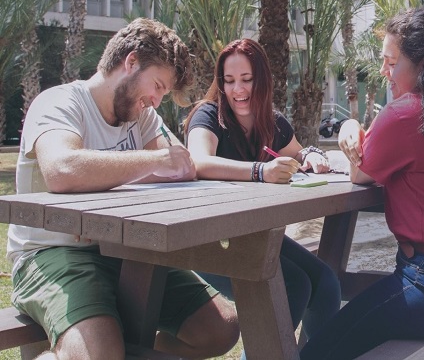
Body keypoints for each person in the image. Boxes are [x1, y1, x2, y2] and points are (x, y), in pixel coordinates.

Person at [7, 18, 239, 360]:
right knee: (99, 354)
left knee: (221, 328)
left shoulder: (140, 115)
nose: (157, 100)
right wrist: (153, 162)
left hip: (125, 249)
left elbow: (182, 165)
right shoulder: (59, 103)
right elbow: (63, 169)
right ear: (130, 62)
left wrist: (144, 165)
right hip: (51, 254)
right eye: (157, 85)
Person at [300, 8, 424, 359]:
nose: (383, 72)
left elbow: (359, 173)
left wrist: (349, 128)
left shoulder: (407, 113)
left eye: (391, 62)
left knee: (319, 350)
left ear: (422, 65)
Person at [184, 38, 341, 341]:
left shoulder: (273, 121)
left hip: (251, 234)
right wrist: (260, 171)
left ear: (263, 80)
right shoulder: (208, 115)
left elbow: (298, 152)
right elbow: (198, 162)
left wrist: (310, 155)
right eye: (228, 81)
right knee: (294, 287)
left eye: (246, 79)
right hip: (206, 237)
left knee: (326, 285)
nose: (237, 90)